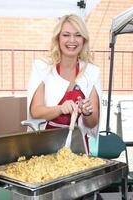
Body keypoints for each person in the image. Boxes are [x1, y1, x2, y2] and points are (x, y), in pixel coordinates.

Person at [27, 14, 102, 155]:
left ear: (83, 39)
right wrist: (60, 108)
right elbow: (36, 112)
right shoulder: (42, 67)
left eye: (78, 35)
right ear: (58, 38)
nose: (72, 40)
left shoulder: (92, 72)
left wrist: (87, 112)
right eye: (66, 35)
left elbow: (92, 123)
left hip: (78, 147)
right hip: (45, 145)